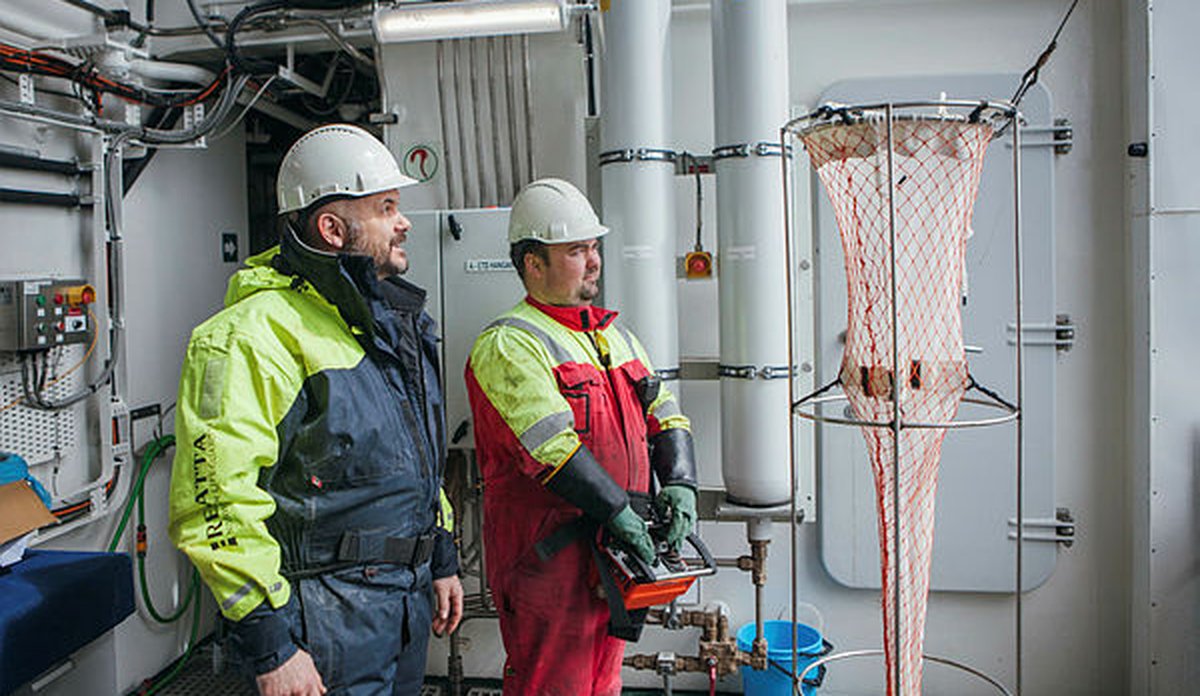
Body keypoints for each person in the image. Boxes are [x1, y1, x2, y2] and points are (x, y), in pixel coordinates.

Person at [168, 123, 462, 696]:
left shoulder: (388, 324)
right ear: (332, 228)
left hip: (401, 605)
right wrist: (270, 646)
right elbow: (216, 507)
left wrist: (442, 555)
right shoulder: (251, 337)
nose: (403, 222)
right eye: (386, 208)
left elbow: (422, 461)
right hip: (325, 624)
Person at [465, 178, 698, 695]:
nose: (593, 261)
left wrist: (681, 480)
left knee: (602, 683)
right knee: (554, 685)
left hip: (613, 551)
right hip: (550, 560)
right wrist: (620, 513)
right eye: (575, 250)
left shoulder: (613, 335)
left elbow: (665, 414)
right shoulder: (509, 343)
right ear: (533, 263)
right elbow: (551, 447)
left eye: (593, 247)